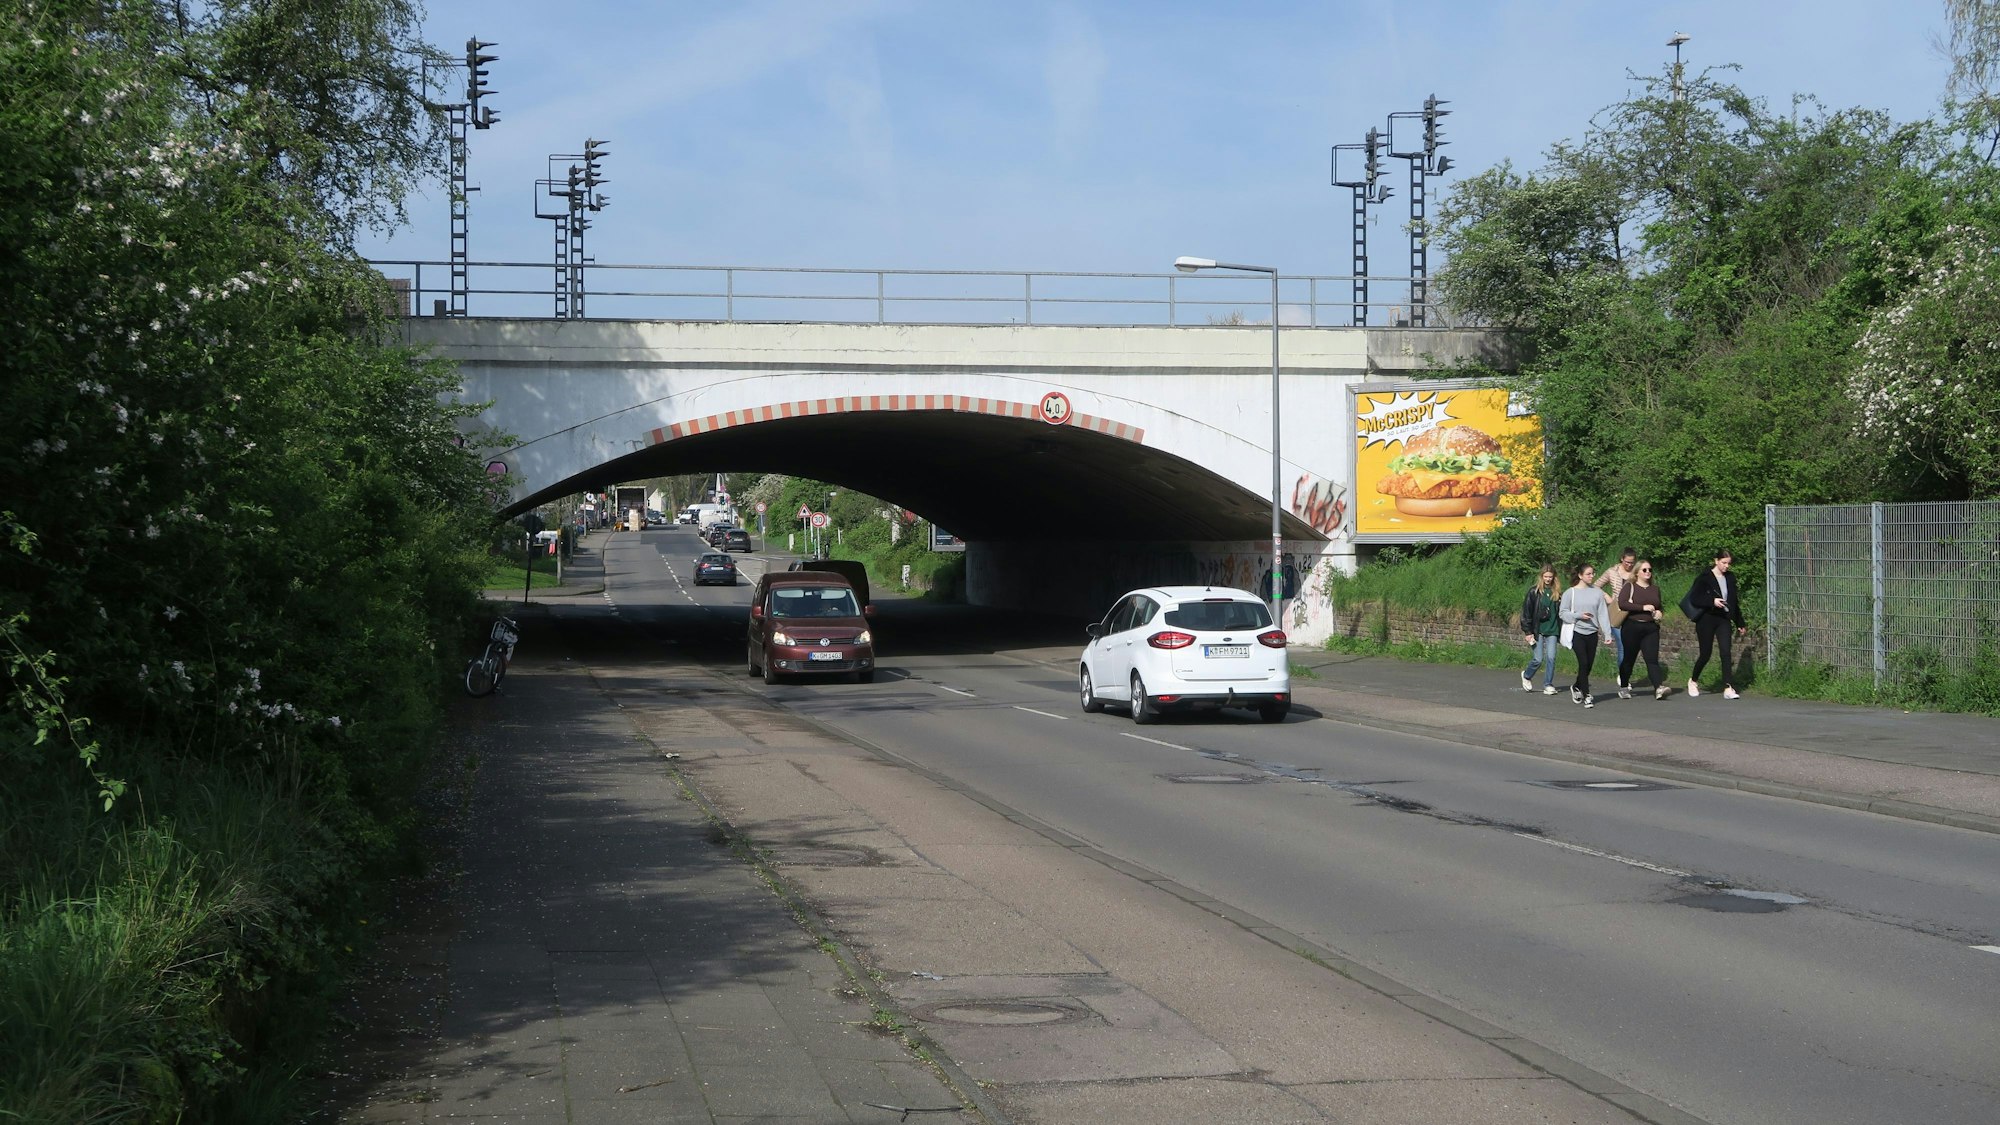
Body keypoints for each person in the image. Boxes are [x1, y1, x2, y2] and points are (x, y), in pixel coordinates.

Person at [1687, 549, 1748, 699]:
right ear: (1716, 561)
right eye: (1723, 563)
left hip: (1723, 619)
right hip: (1706, 618)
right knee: (1705, 654)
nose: (1726, 566)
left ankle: (1728, 687)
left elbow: (1734, 601)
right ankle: (1693, 680)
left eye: (1728, 564)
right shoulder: (1704, 577)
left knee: (1726, 652)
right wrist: (1712, 602)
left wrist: (1740, 621)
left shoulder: (1730, 578)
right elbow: (1694, 598)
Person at [1615, 560, 1671, 700]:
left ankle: (1658, 687)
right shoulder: (1630, 586)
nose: (1648, 572)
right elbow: (1622, 604)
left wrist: (1659, 613)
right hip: (1632, 626)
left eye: (1650, 570)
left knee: (1652, 659)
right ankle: (1624, 686)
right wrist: (1642, 607)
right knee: (1629, 658)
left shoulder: (1654, 589)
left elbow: (1659, 606)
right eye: (1644, 570)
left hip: (1650, 627)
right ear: (1637, 572)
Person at [1560, 563, 1613, 708]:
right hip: (1577, 632)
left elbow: (1602, 613)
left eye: (1592, 573)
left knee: (1588, 665)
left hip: (1592, 633)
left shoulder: (1597, 592)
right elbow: (1562, 613)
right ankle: (1587, 695)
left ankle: (1576, 686)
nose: (1592, 576)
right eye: (1588, 574)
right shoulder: (1570, 593)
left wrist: (1607, 633)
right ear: (1580, 575)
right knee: (1583, 662)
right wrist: (1578, 616)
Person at [1594, 547, 1638, 685]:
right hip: (1616, 613)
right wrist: (1606, 597)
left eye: (1632, 562)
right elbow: (1595, 586)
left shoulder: (1637, 573)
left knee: (1631, 647)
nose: (1629, 565)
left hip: (1633, 613)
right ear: (1622, 559)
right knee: (1622, 646)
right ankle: (1623, 676)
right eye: (1627, 562)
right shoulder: (1612, 572)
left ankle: (1625, 674)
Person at [1518, 565, 1562, 695]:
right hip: (1538, 630)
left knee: (1551, 657)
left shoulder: (1558, 593)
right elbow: (1526, 612)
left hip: (1553, 629)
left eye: (1550, 576)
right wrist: (1527, 631)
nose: (1548, 579)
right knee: (1538, 658)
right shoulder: (1534, 592)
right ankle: (1527, 675)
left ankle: (1548, 684)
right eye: (1546, 577)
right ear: (1541, 577)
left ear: (1554, 577)